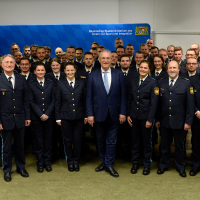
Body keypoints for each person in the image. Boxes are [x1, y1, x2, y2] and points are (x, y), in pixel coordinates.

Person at [86, 50, 126, 178]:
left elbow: (123, 96)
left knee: (111, 141)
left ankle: (108, 163)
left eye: (108, 58)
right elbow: (89, 97)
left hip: (114, 114)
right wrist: (90, 114)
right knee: (100, 140)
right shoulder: (93, 75)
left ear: (112, 59)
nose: (105, 60)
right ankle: (103, 161)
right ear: (99, 59)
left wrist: (123, 113)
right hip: (98, 114)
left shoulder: (119, 74)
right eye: (103, 58)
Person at [156, 60, 194, 177]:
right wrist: (157, 119)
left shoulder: (186, 83)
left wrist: (188, 121)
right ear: (167, 70)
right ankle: (163, 165)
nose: (172, 70)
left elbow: (190, 105)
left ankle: (180, 166)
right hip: (164, 121)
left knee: (179, 146)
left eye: (174, 68)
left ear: (178, 69)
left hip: (180, 122)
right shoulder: (161, 83)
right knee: (164, 145)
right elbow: (157, 104)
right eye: (170, 68)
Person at [0, 54, 31, 182]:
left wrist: (27, 116)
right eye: (6, 62)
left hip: (20, 118)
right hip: (4, 120)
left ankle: (21, 167)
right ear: (1, 64)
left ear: (15, 64)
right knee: (6, 147)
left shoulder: (21, 79)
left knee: (20, 146)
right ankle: (7, 170)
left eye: (11, 62)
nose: (9, 64)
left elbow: (25, 100)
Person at [127, 60, 159, 175]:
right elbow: (130, 99)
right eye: (141, 67)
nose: (143, 70)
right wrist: (128, 115)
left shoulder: (153, 82)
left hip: (146, 118)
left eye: (145, 68)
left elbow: (154, 103)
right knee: (134, 141)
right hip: (134, 116)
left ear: (149, 70)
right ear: (138, 68)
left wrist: (150, 119)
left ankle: (147, 164)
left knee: (146, 142)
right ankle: (135, 163)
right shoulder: (134, 81)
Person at [55, 62, 86, 172]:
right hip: (65, 117)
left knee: (77, 140)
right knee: (67, 140)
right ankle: (70, 161)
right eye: (68, 70)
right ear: (64, 71)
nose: (70, 72)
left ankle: (76, 161)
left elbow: (84, 101)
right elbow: (58, 102)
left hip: (79, 117)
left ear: (75, 70)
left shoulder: (81, 83)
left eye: (72, 70)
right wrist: (58, 117)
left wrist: (86, 116)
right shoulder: (60, 84)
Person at [28, 62, 54, 173]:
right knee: (38, 141)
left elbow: (54, 100)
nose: (40, 72)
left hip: (49, 117)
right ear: (34, 72)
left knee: (48, 141)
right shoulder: (31, 84)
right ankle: (39, 163)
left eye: (42, 70)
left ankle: (47, 162)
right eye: (38, 70)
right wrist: (40, 114)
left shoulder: (50, 83)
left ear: (45, 71)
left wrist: (47, 114)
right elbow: (31, 101)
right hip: (36, 118)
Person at [45, 58, 66, 160]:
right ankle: (54, 153)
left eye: (57, 65)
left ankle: (62, 153)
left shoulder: (65, 75)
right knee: (51, 133)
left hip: (64, 108)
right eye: (53, 65)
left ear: (60, 65)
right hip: (51, 108)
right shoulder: (47, 76)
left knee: (62, 133)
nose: (55, 67)